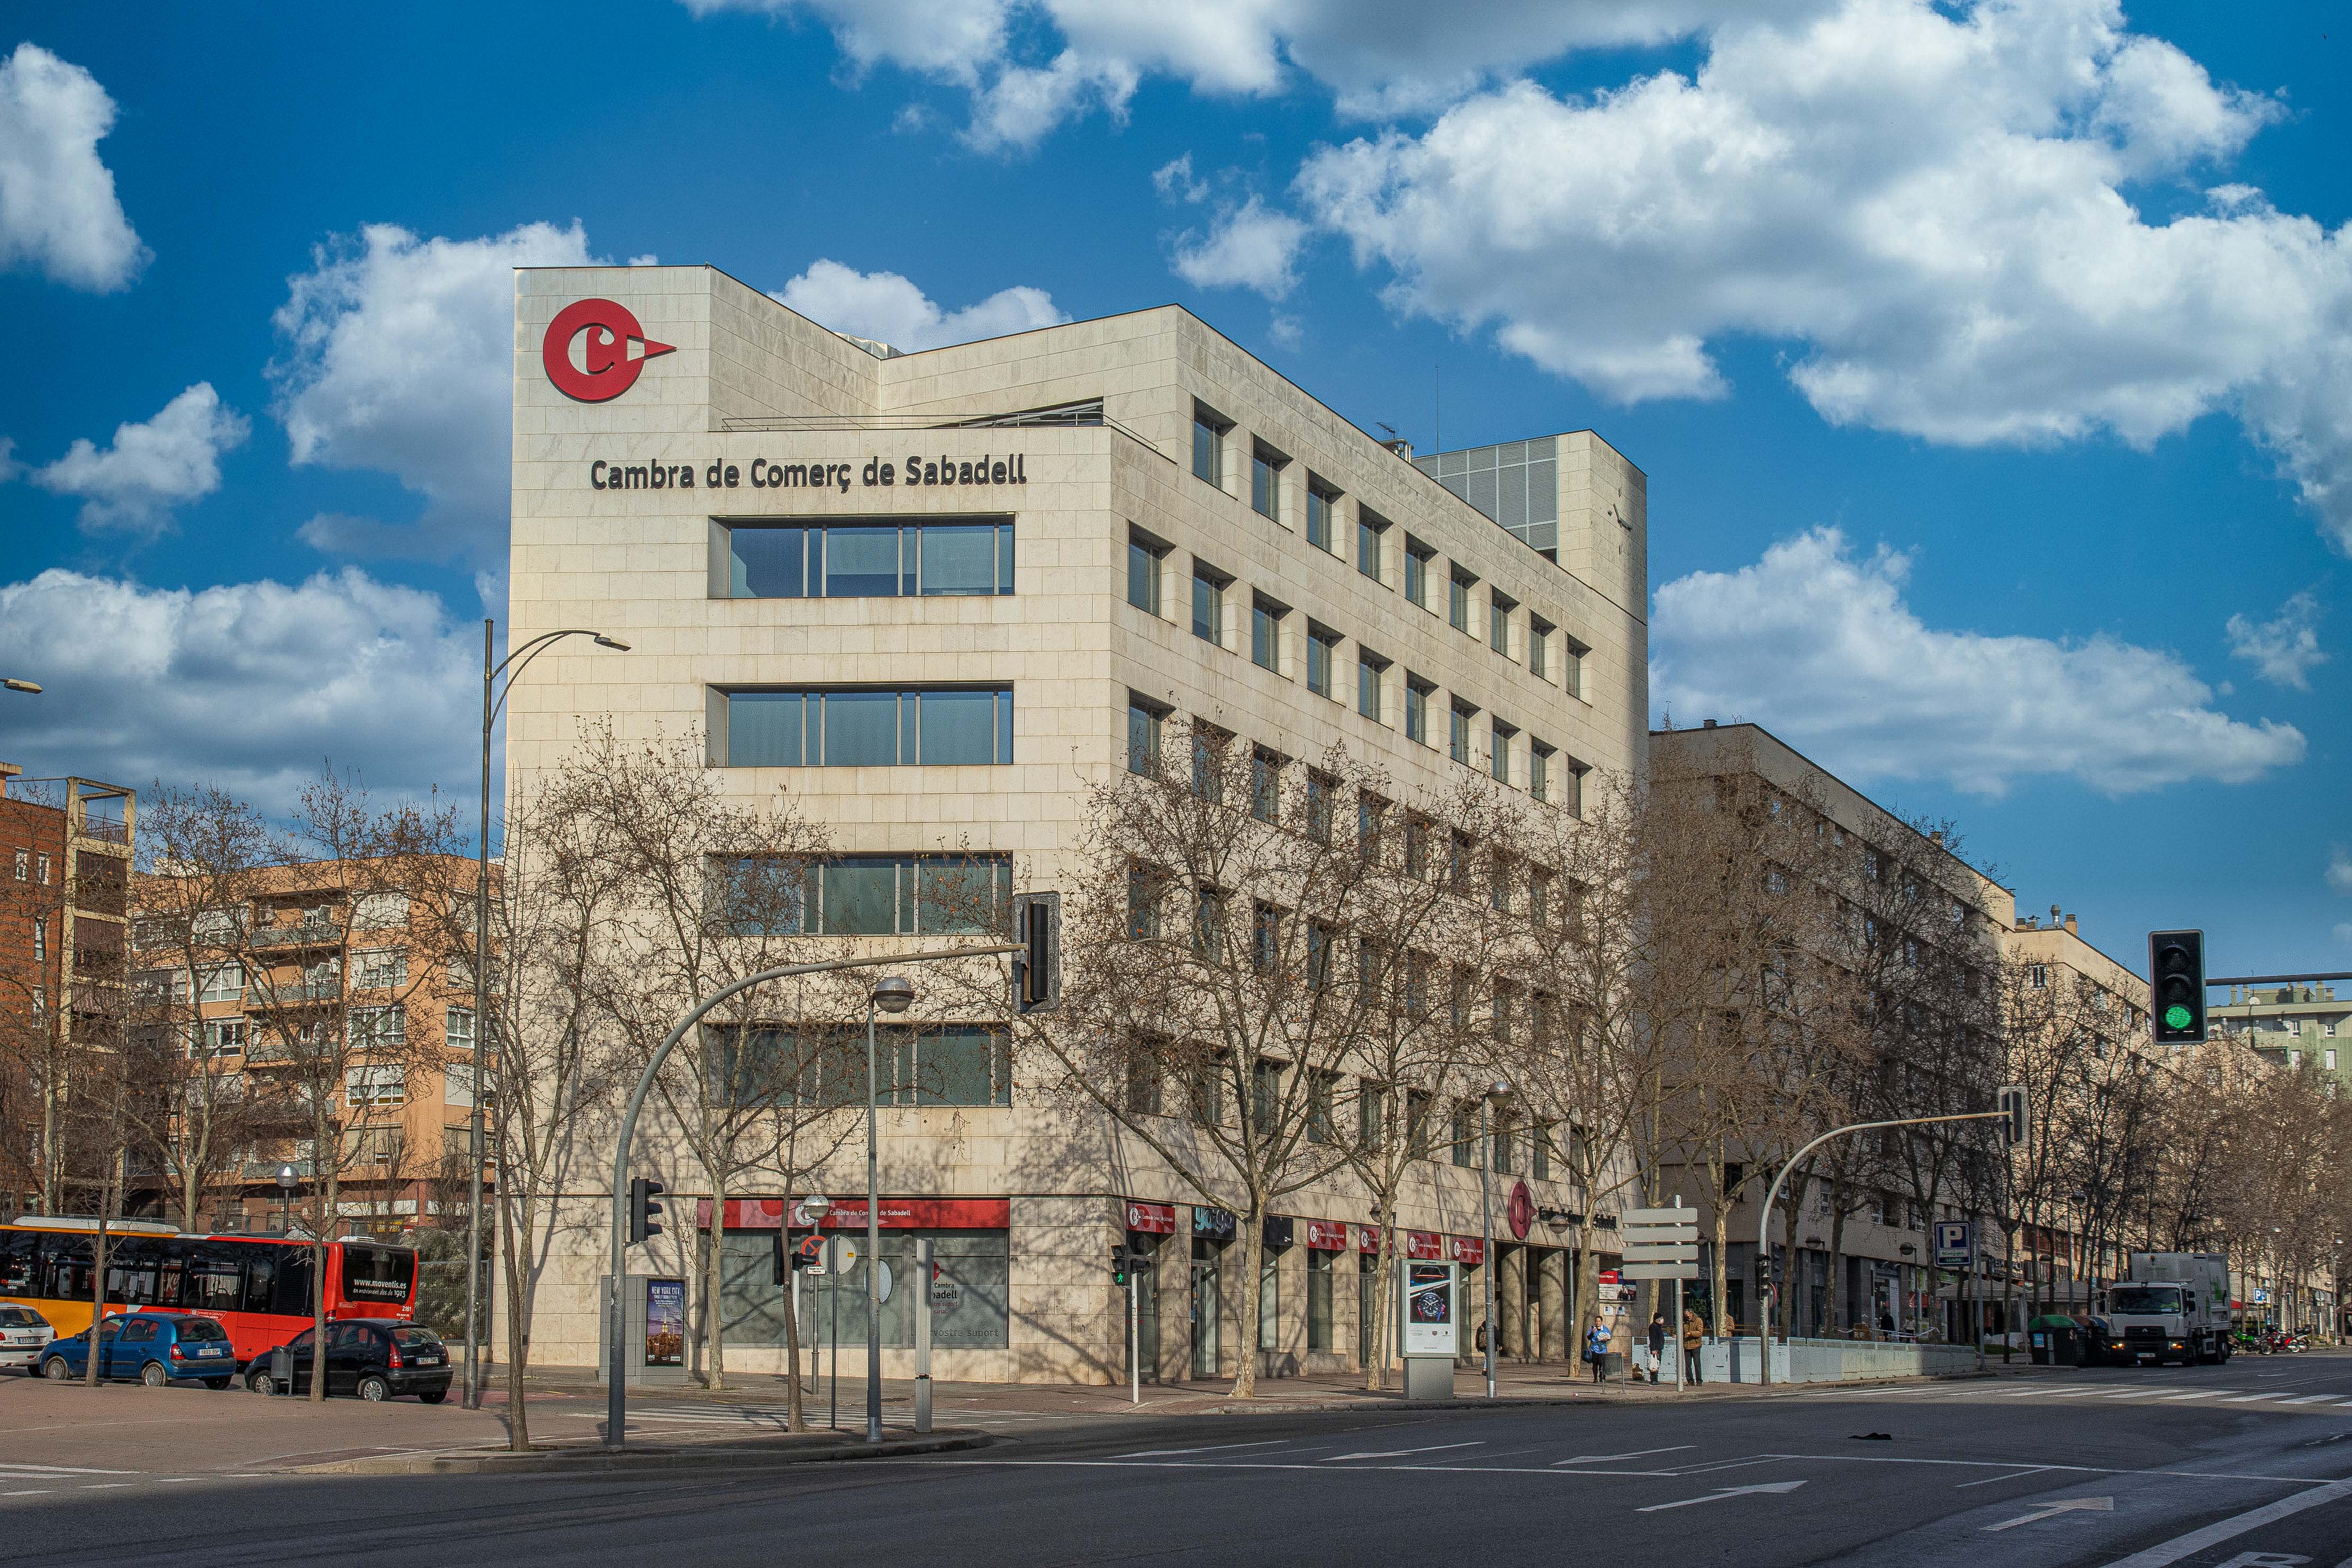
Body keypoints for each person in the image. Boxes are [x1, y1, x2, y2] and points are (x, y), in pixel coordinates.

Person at [1682, 1307, 1705, 1384]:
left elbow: (1699, 1332)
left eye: (1688, 1315)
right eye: (1686, 1315)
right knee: (1688, 1365)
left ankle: (1699, 1381)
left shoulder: (1698, 1321)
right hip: (1687, 1345)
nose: (1687, 1317)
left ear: (1691, 1314)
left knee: (1697, 1364)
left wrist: (1691, 1333)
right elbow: (1682, 1332)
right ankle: (1690, 1381)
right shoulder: (1684, 1322)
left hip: (1696, 1345)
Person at [1585, 1318, 1611, 1383]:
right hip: (1594, 1349)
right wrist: (1592, 1333)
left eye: (1599, 1321)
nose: (1598, 1322)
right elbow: (1589, 1338)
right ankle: (1595, 1378)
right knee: (1595, 1364)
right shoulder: (1592, 1328)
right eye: (1597, 1321)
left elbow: (1610, 1337)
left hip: (1603, 1349)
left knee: (1602, 1364)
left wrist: (1606, 1339)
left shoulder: (1605, 1329)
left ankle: (1602, 1377)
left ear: (1601, 1322)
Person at [1646, 1312, 1668, 1384]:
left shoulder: (1658, 1326)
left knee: (1657, 1364)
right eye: (1661, 1318)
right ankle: (1653, 1380)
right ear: (1657, 1319)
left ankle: (1655, 1379)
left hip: (1658, 1348)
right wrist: (1653, 1349)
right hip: (1656, 1349)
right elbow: (1653, 1339)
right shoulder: (1653, 1327)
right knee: (1654, 1364)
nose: (1662, 1320)